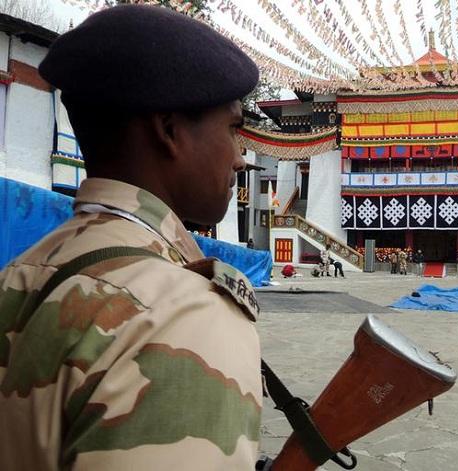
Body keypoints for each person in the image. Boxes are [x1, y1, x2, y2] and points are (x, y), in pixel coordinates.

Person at [0, 6, 262, 469]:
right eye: (232, 128)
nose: (240, 158)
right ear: (169, 132)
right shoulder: (181, 315)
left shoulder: (20, 274)